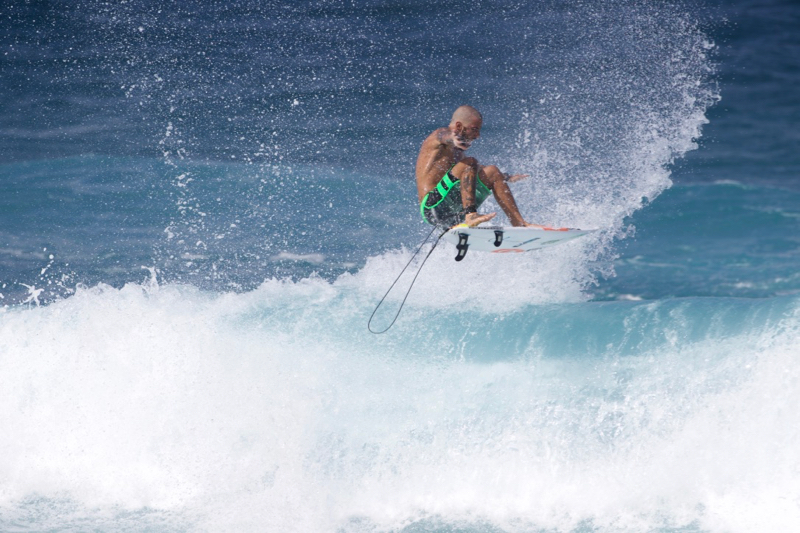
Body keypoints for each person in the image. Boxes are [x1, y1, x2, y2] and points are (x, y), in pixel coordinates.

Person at [416, 105, 544, 229]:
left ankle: (519, 223)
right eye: (474, 129)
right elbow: (443, 136)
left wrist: (506, 177)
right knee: (470, 162)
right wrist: (452, 138)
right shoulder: (438, 136)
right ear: (459, 126)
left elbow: (473, 171)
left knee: (493, 172)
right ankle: (471, 215)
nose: (477, 135)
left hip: (453, 211)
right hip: (432, 207)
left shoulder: (457, 153)